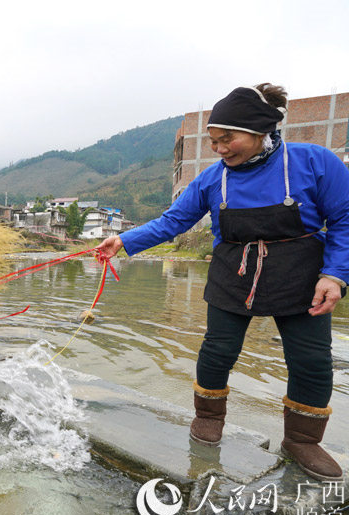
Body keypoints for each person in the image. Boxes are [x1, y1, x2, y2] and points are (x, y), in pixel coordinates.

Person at [96, 83, 349, 482]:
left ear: (259, 131)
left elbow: (344, 219)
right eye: (214, 141)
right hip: (234, 269)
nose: (219, 149)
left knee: (312, 361)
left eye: (226, 139)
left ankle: (302, 440)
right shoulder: (213, 179)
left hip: (303, 273)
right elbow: (174, 221)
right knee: (218, 350)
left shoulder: (314, 162)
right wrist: (124, 241)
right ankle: (209, 418)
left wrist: (335, 274)